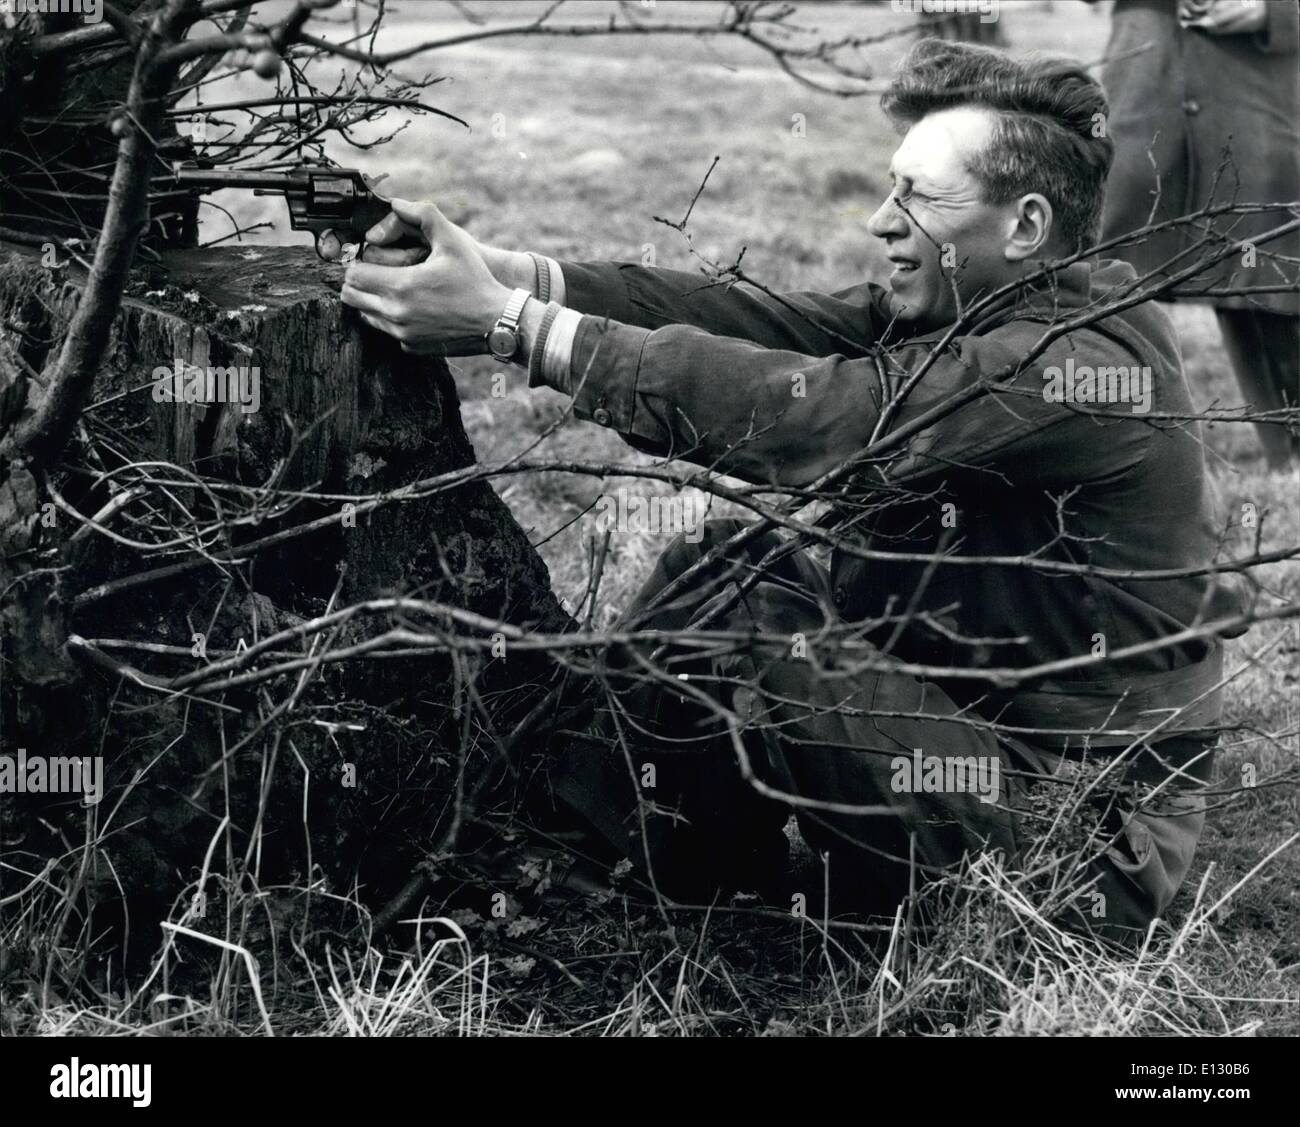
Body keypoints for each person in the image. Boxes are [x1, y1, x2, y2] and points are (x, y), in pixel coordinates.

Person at [322, 39, 1247, 937]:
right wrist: (517, 278)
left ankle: (605, 865)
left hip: (1075, 845)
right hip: (979, 742)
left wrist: (515, 329)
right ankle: (625, 856)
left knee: (755, 622)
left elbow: (827, 419)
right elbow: (768, 322)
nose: (882, 219)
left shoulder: (1071, 366)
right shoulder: (999, 306)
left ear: (1027, 225)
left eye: (918, 196)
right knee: (721, 568)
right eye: (891, 187)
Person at [1096, 0, 1300, 467]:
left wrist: (1274, 12)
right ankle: (1108, 442)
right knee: (1110, 276)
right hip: (1145, 83)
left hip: (1253, 86)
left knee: (1267, 269)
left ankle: (1290, 448)